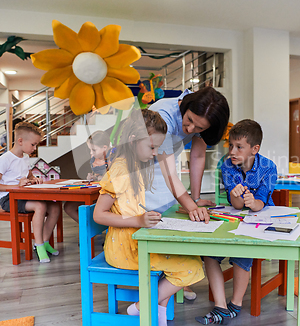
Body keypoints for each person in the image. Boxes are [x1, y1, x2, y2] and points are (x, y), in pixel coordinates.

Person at [93, 109, 204, 326]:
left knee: (189, 260)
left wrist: (145, 219)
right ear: (133, 140)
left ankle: (158, 315)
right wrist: (138, 221)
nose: (155, 153)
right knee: (192, 267)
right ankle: (141, 306)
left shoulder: (133, 166)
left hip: (135, 242)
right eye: (152, 147)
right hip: (124, 249)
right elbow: (99, 215)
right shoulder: (120, 170)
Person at [147, 87, 229, 300]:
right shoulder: (163, 116)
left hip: (165, 167)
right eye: (189, 120)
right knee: (155, 221)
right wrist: (191, 206)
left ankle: (175, 277)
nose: (190, 127)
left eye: (199, 127)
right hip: (142, 167)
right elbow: (168, 171)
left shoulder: (202, 117)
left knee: (174, 219)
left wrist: (194, 198)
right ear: (186, 106)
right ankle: (170, 277)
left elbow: (198, 156)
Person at [196, 119, 277, 325]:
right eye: (231, 145)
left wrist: (254, 202)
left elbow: (261, 202)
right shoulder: (227, 165)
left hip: (260, 219)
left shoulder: (269, 167)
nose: (232, 151)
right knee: (209, 253)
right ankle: (221, 306)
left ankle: (235, 304)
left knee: (243, 252)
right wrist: (238, 196)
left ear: (254, 149)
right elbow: (237, 206)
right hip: (235, 216)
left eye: (239, 147)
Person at [0, 122, 61, 263]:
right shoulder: (5, 159)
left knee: (55, 207)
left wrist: (34, 179)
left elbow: (28, 176)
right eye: (33, 144)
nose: (35, 148)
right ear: (20, 141)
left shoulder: (25, 157)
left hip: (24, 196)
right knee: (40, 206)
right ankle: (38, 245)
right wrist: (16, 186)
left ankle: (45, 241)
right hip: (9, 199)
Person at [63, 130, 112, 222]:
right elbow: (96, 176)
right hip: (95, 193)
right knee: (68, 207)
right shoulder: (94, 160)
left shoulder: (115, 158)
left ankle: (93, 227)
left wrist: (103, 178)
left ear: (105, 148)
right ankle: (88, 227)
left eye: (93, 150)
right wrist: (92, 177)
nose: (91, 153)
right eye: (90, 149)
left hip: (109, 196)